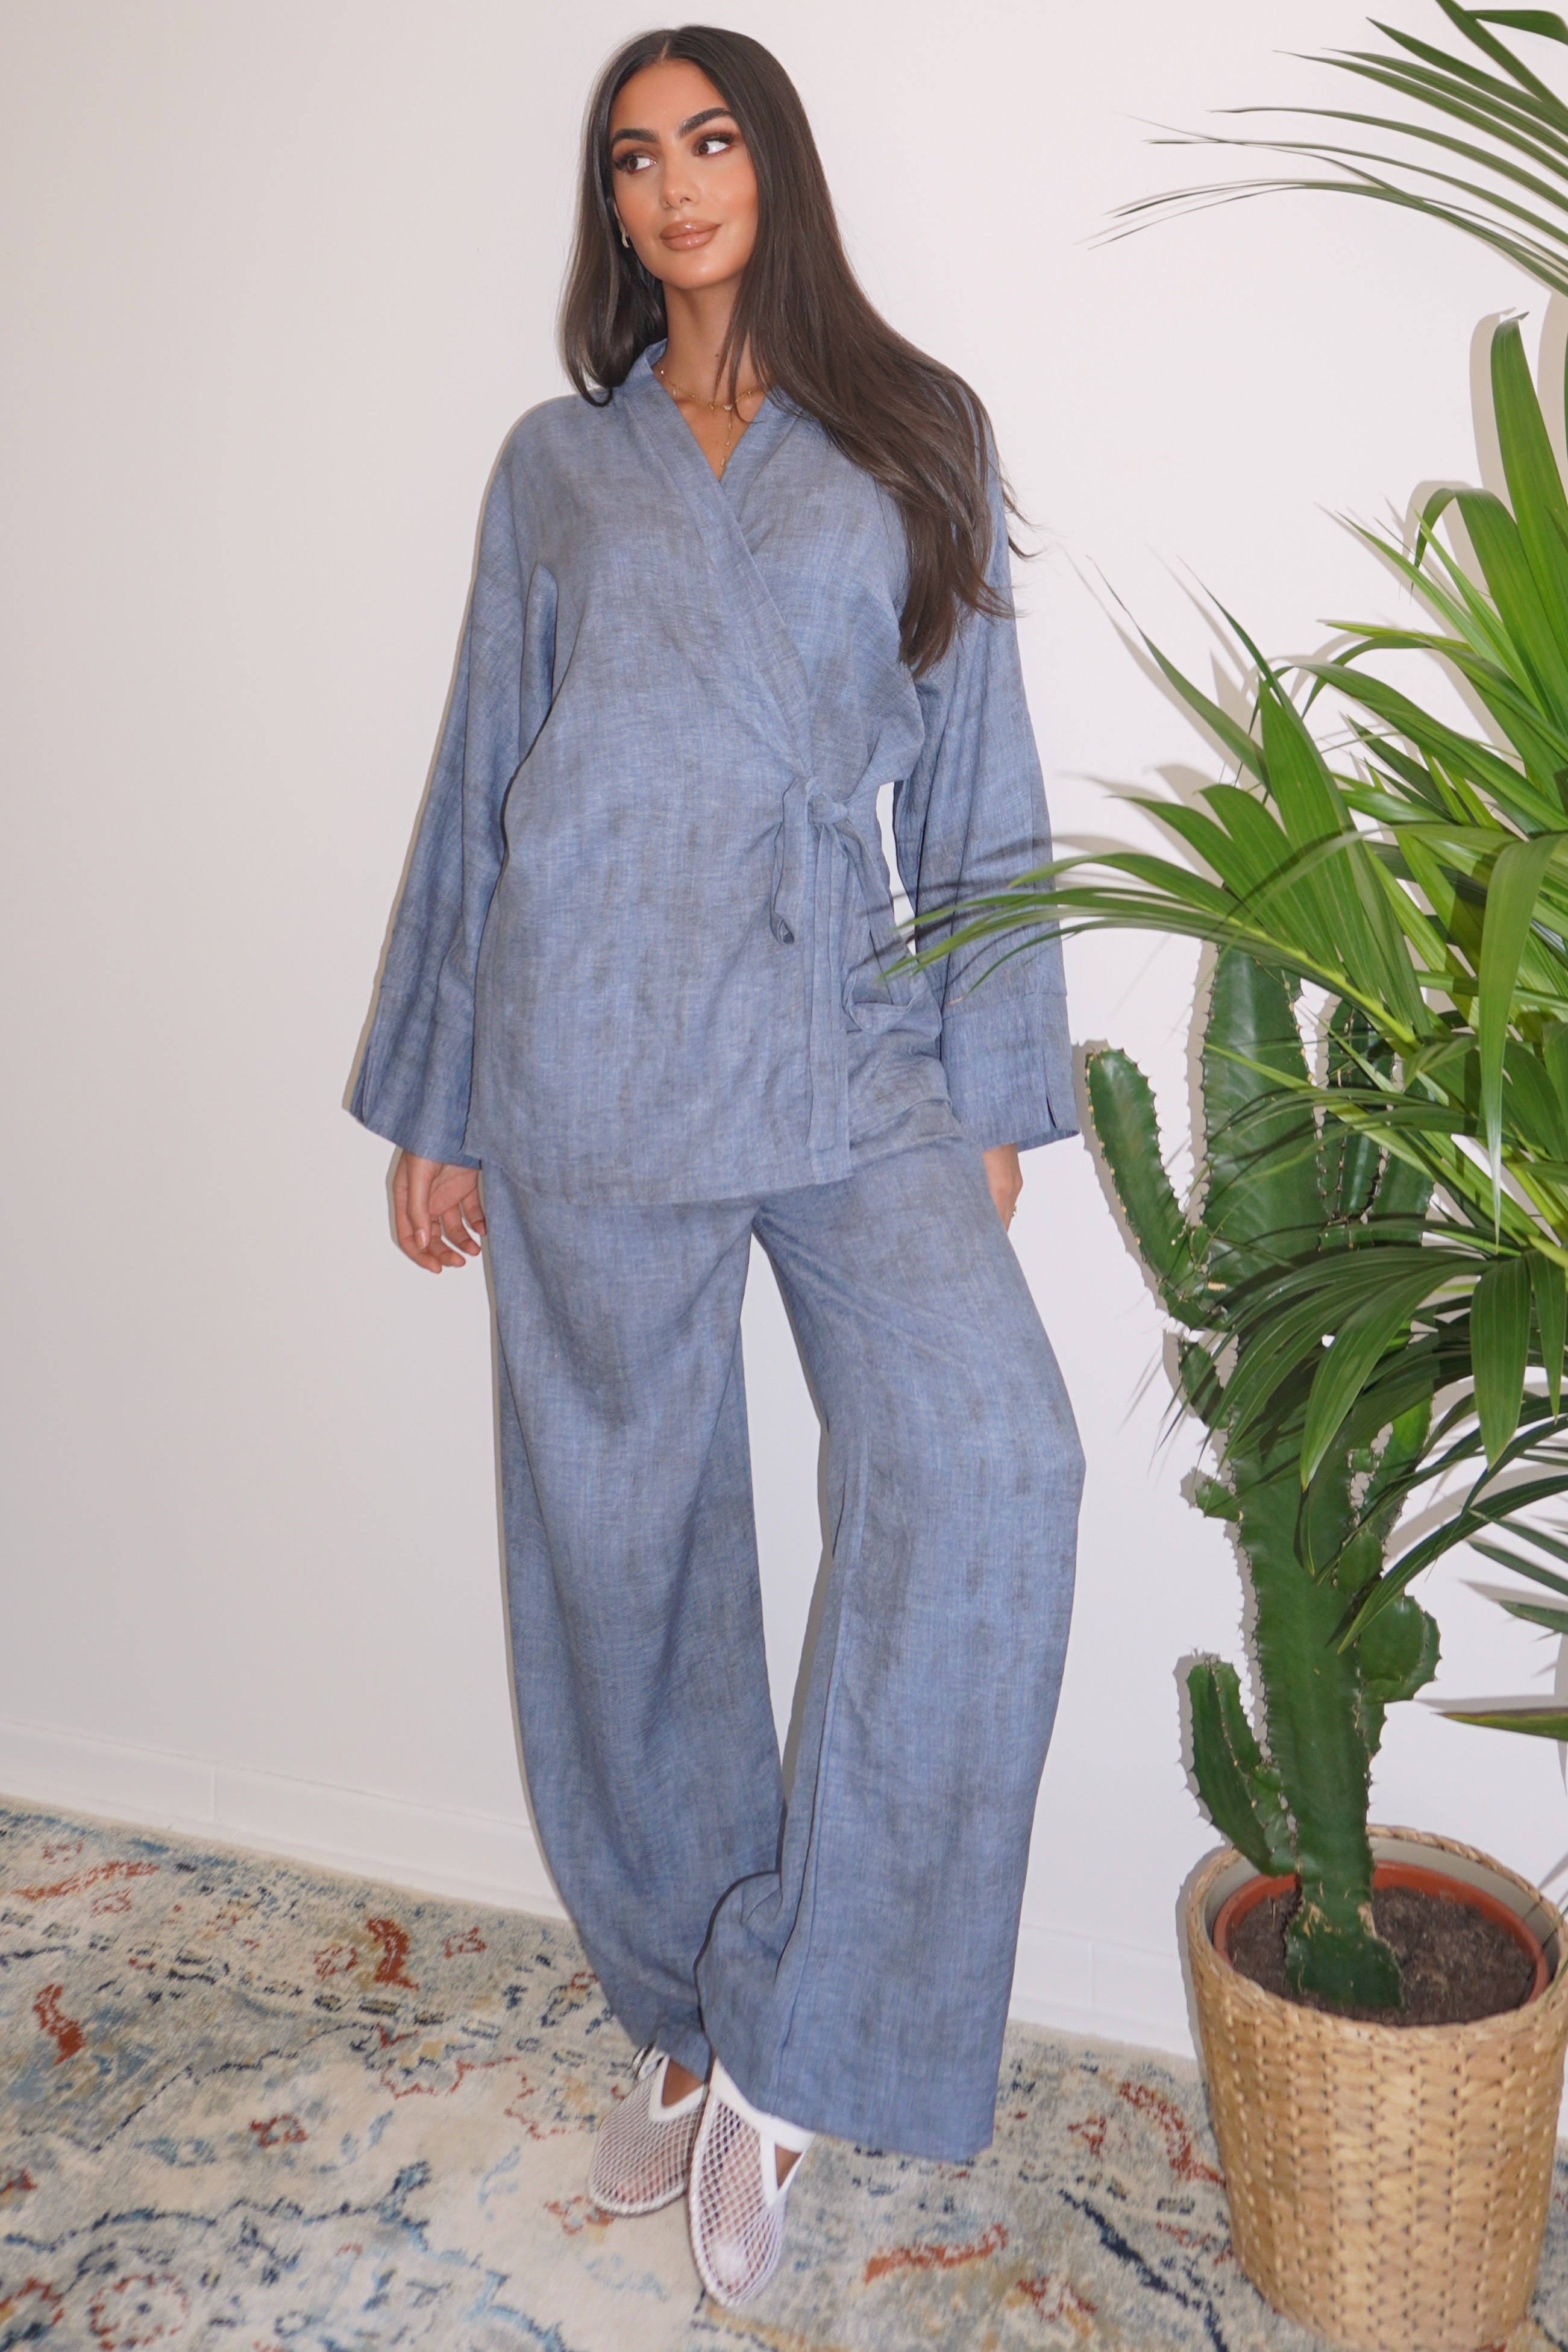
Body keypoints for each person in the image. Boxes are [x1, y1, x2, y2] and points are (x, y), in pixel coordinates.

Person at [350, 22, 1083, 2310]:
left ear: (777, 164)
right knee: (626, 1562)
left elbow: (976, 774)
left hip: (840, 1036)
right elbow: (486, 773)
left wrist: (988, 1088)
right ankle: (683, 2014)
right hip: (582, 1053)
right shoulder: (552, 466)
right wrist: (443, 1095)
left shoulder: (913, 429)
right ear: (609, 202)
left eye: (711, 139)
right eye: (632, 158)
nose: (672, 187)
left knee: (996, 1464)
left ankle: (798, 2036)